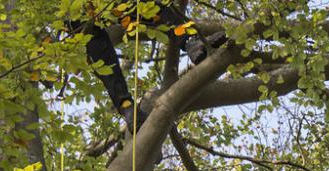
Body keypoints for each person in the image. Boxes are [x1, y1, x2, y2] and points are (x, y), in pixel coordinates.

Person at [67, 2, 225, 133]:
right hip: (70, 11)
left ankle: (192, 42)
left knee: (149, 7)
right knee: (96, 44)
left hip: (101, 6)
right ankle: (128, 109)